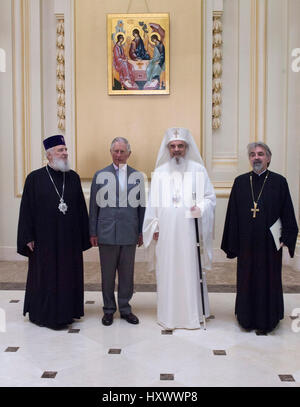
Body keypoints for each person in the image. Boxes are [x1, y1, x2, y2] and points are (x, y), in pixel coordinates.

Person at [221, 142, 298, 335]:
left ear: (268, 158)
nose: (256, 157)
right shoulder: (240, 182)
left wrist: (287, 236)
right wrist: (233, 242)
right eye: (253, 154)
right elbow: (232, 215)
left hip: (269, 244)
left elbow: (287, 211)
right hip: (246, 243)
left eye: (261, 154)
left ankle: (268, 320)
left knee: (269, 280)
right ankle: (246, 319)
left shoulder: (279, 182)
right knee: (246, 279)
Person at [143, 128, 216, 329]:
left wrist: (200, 208)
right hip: (166, 235)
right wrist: (154, 225)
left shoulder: (198, 170)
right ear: (168, 148)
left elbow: (209, 198)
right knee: (167, 271)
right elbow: (152, 205)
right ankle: (169, 315)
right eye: (173, 146)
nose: (177, 150)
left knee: (190, 271)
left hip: (189, 233)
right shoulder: (159, 173)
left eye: (180, 146)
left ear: (186, 147)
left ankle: (191, 316)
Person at [17, 135, 91, 330]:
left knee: (68, 274)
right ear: (49, 155)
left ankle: (69, 311)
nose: (65, 153)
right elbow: (26, 210)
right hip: (44, 241)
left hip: (69, 240)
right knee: (45, 274)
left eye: (65, 149)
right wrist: (27, 236)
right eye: (60, 150)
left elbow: (81, 210)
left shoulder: (73, 177)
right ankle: (43, 313)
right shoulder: (34, 178)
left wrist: (85, 235)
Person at [89, 137, 145, 326]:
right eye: (115, 151)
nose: (119, 155)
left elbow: (141, 207)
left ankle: (125, 308)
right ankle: (108, 310)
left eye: (122, 152)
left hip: (129, 233)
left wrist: (141, 231)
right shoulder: (100, 175)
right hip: (106, 233)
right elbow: (94, 207)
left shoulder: (137, 177)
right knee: (107, 274)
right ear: (111, 152)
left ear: (129, 153)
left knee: (127, 274)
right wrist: (93, 231)